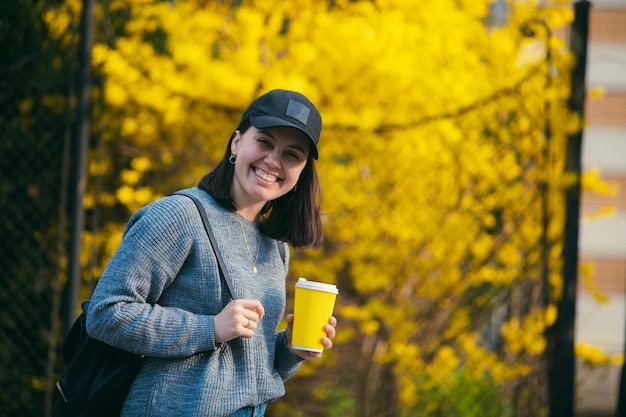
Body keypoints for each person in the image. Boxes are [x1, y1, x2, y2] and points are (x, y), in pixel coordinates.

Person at [86, 89, 337, 417]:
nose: (274, 161)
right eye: (264, 142)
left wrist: (291, 349)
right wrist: (210, 328)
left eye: (292, 154)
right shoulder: (179, 215)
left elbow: (242, 366)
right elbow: (107, 314)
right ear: (236, 142)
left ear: (302, 171)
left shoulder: (276, 247)